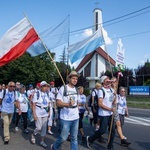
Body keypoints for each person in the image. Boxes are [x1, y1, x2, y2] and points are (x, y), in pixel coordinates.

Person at [51, 71, 80, 150]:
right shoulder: (63, 88)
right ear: (69, 79)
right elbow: (58, 103)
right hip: (65, 118)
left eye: (76, 79)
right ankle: (55, 147)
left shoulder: (76, 89)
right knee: (63, 137)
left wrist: (77, 109)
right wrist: (68, 104)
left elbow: (77, 102)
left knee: (74, 138)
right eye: (73, 78)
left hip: (75, 117)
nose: (75, 80)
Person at [86, 76, 116, 150]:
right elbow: (100, 104)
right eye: (107, 80)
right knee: (102, 130)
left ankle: (110, 147)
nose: (109, 81)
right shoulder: (101, 91)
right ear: (103, 81)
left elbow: (113, 100)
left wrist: (115, 101)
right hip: (103, 114)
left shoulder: (111, 90)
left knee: (112, 131)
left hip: (110, 114)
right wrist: (110, 108)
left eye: (109, 80)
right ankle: (90, 139)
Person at [31, 81, 50, 148]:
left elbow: (48, 103)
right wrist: (34, 114)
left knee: (44, 127)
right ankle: (34, 134)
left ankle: (42, 141)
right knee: (38, 127)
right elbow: (34, 105)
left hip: (45, 112)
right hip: (38, 112)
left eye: (46, 86)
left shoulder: (47, 94)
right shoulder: (37, 93)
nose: (46, 88)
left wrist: (49, 112)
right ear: (41, 87)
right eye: (44, 86)